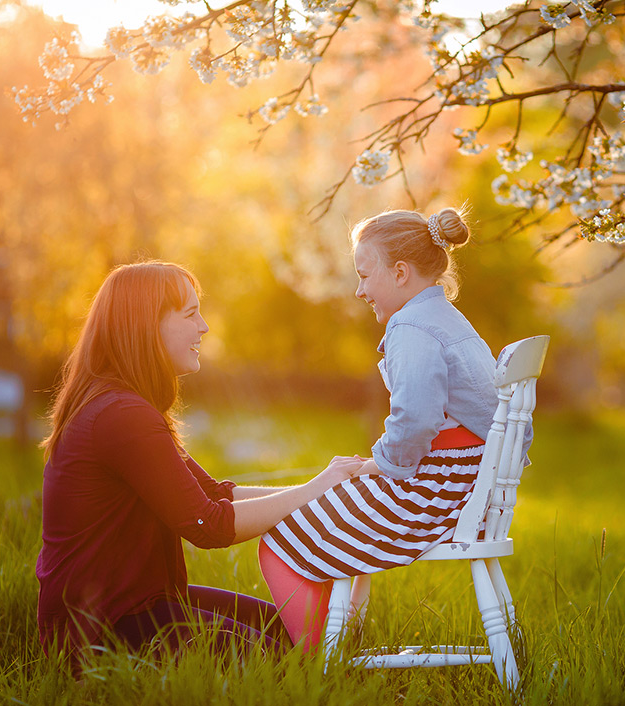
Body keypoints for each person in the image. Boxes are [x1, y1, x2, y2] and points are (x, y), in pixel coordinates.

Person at [36, 260, 368, 674]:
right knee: (284, 666)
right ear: (146, 326)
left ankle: (344, 638)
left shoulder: (124, 406)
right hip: (103, 629)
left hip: (143, 605)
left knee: (292, 634)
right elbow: (208, 525)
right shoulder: (121, 415)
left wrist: (326, 489)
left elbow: (216, 495)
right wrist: (317, 488)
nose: (205, 328)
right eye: (191, 315)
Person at [259, 207, 502, 651]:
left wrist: (382, 464)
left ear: (401, 272)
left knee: (281, 537)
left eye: (365, 276)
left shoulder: (412, 326)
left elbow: (416, 419)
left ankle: (316, 657)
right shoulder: (448, 319)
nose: (359, 290)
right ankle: (342, 637)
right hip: (467, 489)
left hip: (435, 494)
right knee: (333, 505)